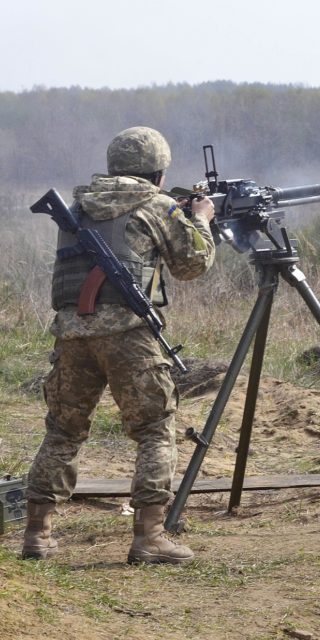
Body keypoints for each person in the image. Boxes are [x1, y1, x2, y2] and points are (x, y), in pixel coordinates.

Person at [22, 126, 215, 564]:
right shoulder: (157, 206)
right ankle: (149, 536)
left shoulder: (78, 206)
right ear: (158, 172)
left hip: (73, 334)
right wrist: (200, 219)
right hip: (128, 334)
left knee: (63, 431)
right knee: (153, 429)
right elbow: (192, 264)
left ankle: (37, 533)